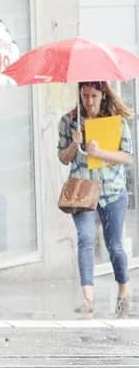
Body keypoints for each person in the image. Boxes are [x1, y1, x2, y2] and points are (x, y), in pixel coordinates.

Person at [57, 81, 133, 317]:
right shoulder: (69, 121)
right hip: (83, 192)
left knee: (115, 245)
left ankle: (123, 289)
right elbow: (63, 157)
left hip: (112, 191)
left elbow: (128, 157)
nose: (89, 101)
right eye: (85, 95)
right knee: (86, 239)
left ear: (103, 96)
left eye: (94, 96)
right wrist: (74, 143)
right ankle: (88, 298)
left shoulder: (116, 122)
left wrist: (100, 153)